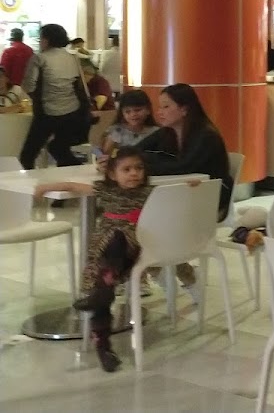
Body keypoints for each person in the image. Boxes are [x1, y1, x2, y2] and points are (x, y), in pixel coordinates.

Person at [35, 147, 203, 372]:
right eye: (127, 169)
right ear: (113, 174)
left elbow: (174, 194)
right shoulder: (106, 190)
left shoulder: (149, 192)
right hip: (105, 253)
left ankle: (104, 289)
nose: (134, 173)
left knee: (117, 240)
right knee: (102, 283)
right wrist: (45, 187)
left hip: (134, 245)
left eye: (138, 168)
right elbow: (72, 186)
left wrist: (190, 185)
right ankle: (104, 346)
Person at [132, 84, 234, 220]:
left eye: (166, 107)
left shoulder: (206, 136)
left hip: (210, 195)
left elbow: (183, 168)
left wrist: (142, 166)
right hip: (183, 192)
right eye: (160, 107)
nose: (160, 112)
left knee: (148, 212)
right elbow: (134, 151)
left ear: (184, 109)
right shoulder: (167, 132)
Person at [19, 23, 90, 169]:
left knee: (28, 155)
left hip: (47, 113)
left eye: (40, 38)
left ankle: (30, 181)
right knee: (59, 148)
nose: (40, 42)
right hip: (72, 111)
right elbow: (80, 84)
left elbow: (28, 86)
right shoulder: (73, 57)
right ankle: (76, 173)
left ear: (46, 40)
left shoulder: (39, 58)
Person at [102, 89, 158, 154]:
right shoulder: (117, 131)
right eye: (127, 112)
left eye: (137, 110)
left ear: (148, 110)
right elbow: (106, 154)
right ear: (122, 114)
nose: (133, 114)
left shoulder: (156, 132)